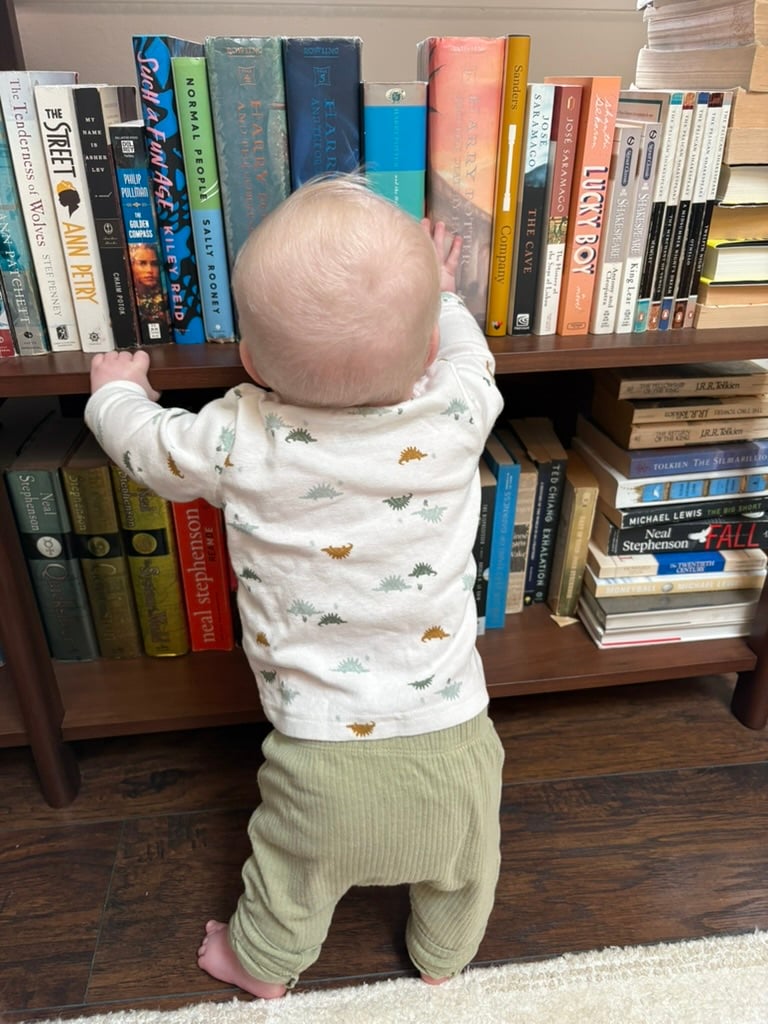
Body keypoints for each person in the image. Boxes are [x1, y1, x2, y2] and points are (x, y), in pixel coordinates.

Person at [86, 174, 506, 999]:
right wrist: (445, 296)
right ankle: (444, 957)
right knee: (467, 861)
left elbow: (147, 447)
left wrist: (115, 391)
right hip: (455, 734)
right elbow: (469, 355)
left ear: (247, 361)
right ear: (423, 351)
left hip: (316, 750)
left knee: (291, 869)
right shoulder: (459, 411)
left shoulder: (239, 434)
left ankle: (264, 965)